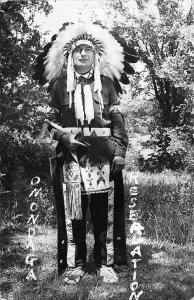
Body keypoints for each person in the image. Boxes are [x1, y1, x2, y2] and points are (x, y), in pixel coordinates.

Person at [33, 22, 138, 284]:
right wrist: (63, 136)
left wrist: (120, 151)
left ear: (96, 55)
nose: (82, 54)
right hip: (71, 159)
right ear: (69, 55)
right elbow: (50, 123)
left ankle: (106, 263)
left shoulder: (107, 84)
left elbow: (118, 122)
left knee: (104, 214)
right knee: (74, 213)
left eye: (87, 50)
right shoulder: (59, 86)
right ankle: (75, 265)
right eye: (77, 50)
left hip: (104, 157)